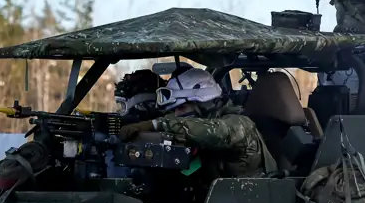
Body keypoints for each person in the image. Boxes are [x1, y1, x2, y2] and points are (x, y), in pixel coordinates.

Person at [118, 67, 276, 178]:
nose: (176, 114)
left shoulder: (240, 125)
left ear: (204, 105)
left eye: (182, 107)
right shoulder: (202, 126)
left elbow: (214, 132)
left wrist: (156, 124)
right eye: (174, 109)